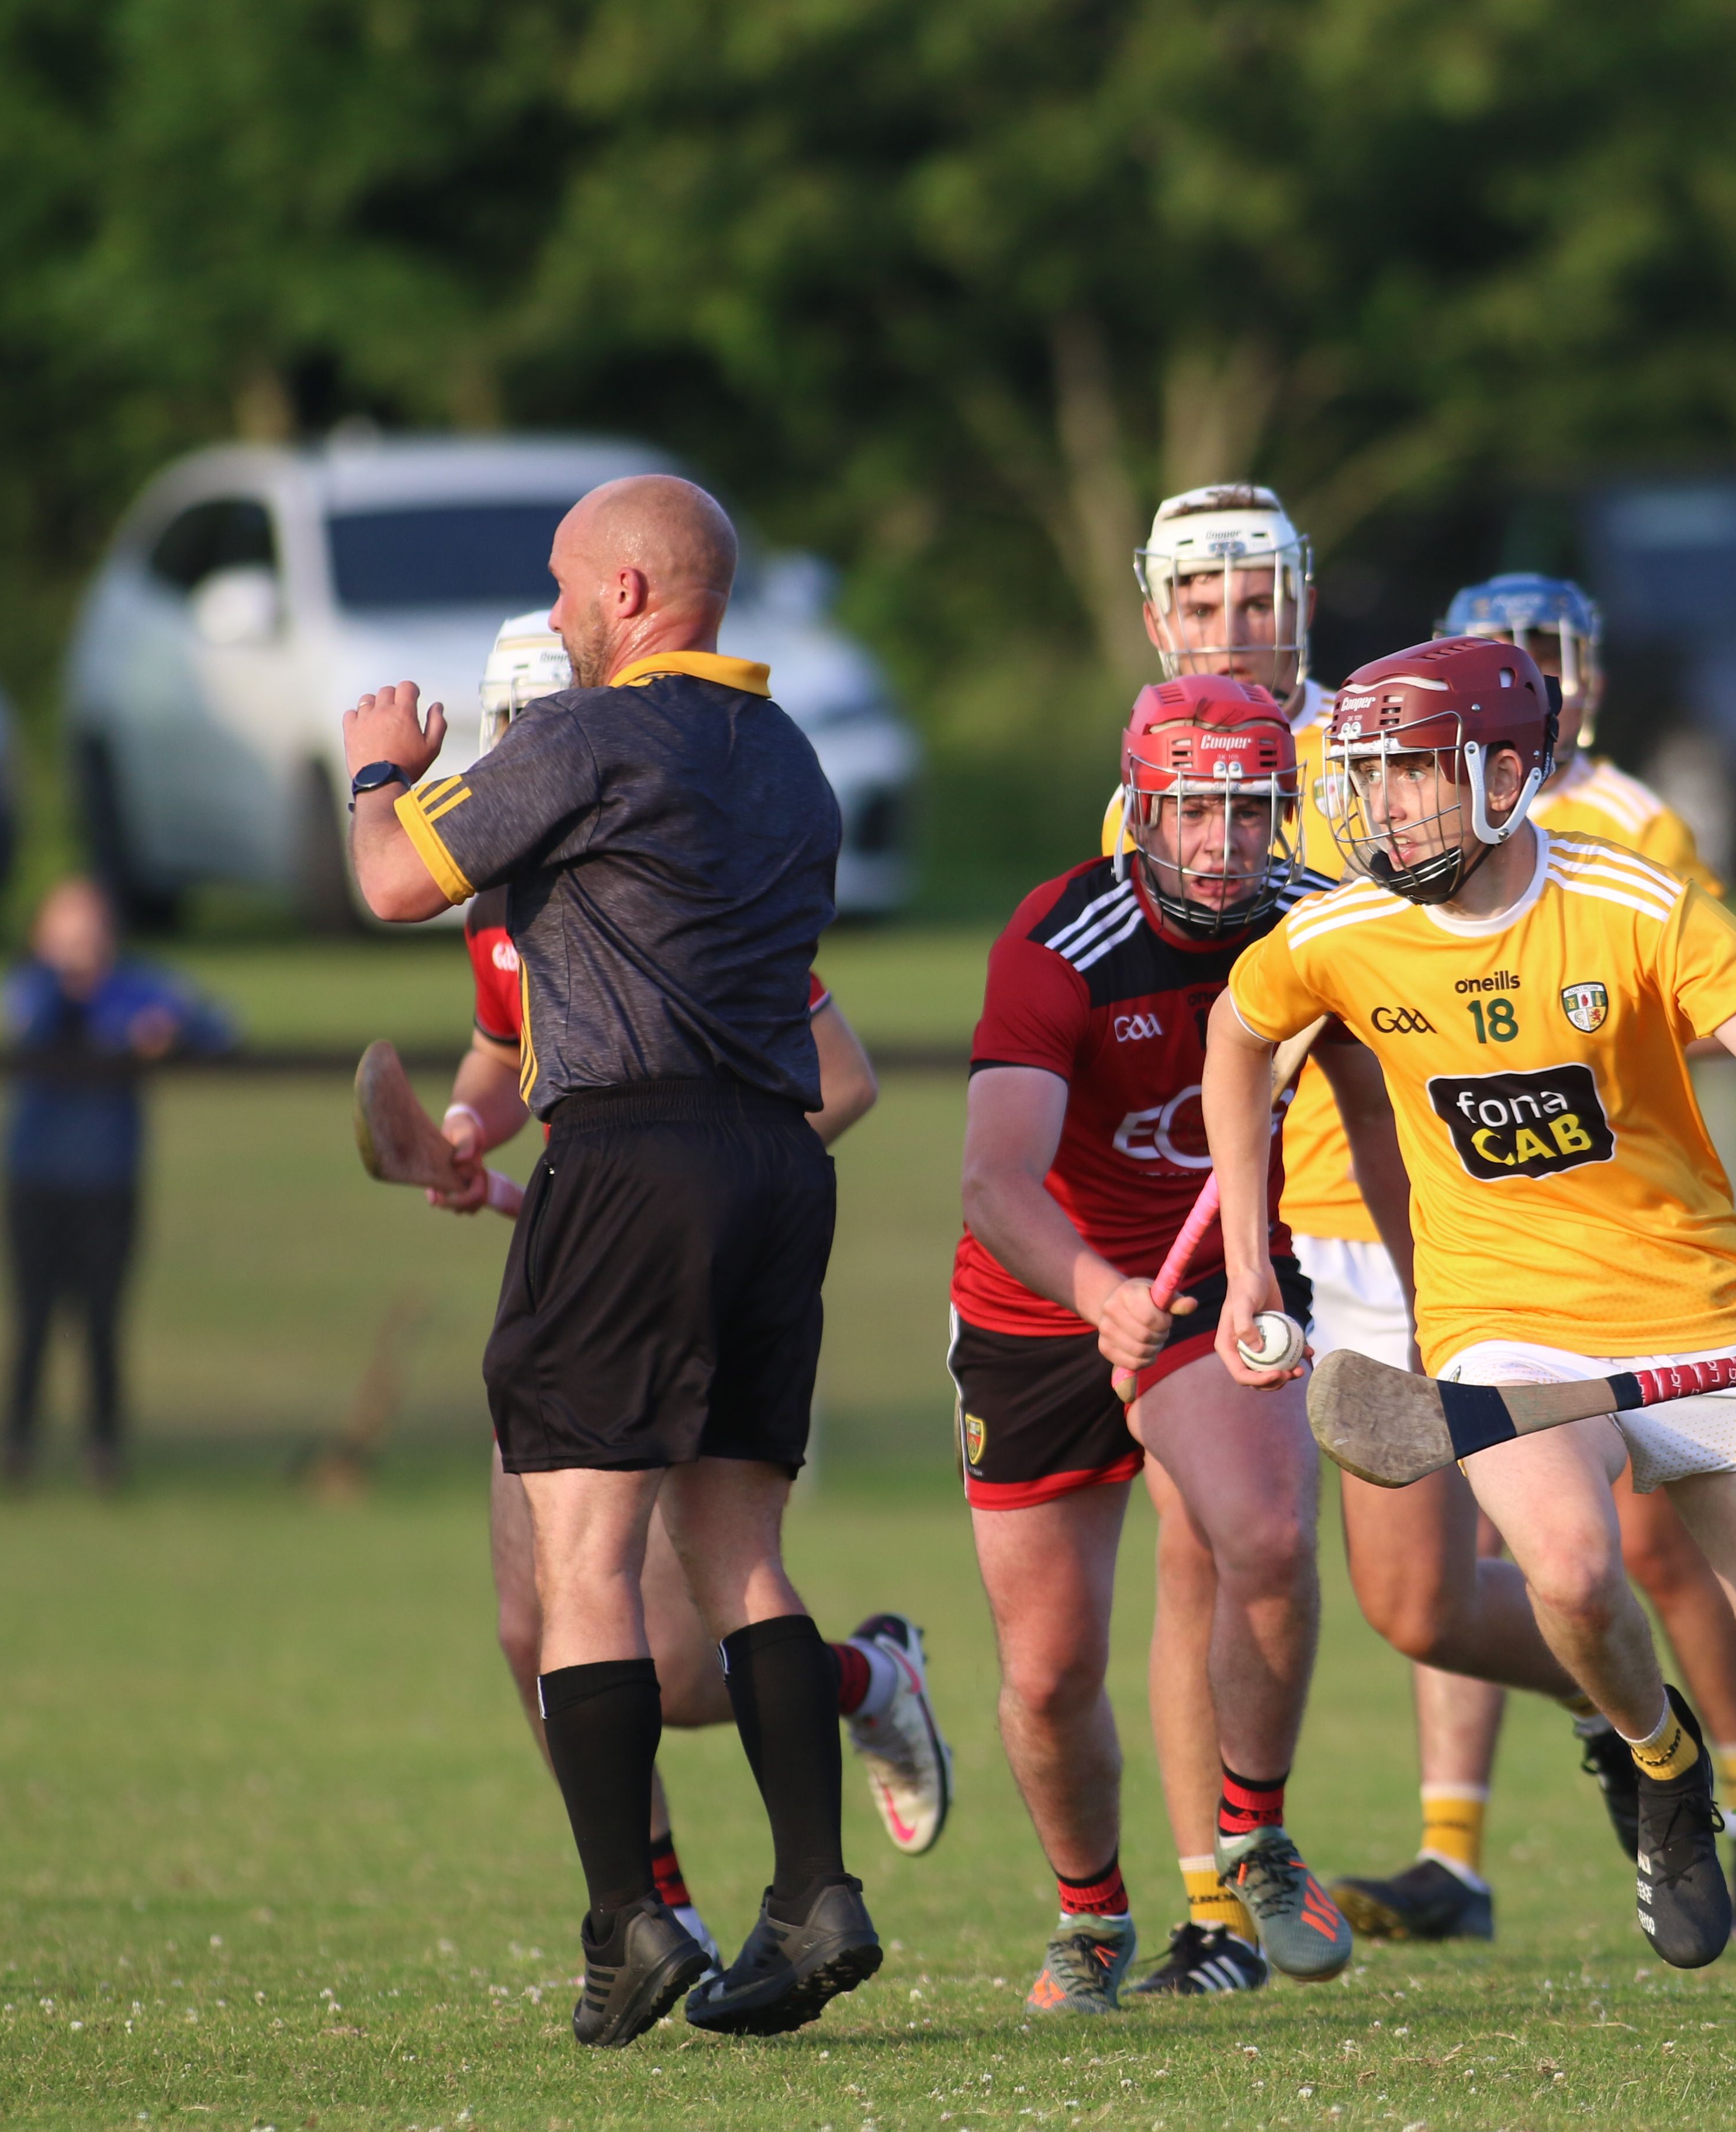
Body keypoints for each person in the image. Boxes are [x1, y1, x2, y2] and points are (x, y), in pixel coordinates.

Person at [1201, 633, 1736, 2054]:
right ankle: (1659, 1764)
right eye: (1371, 778)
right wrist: (1244, 1263)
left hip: (1695, 1311)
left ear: (1507, 776)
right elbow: (1237, 1040)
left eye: (1414, 775)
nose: (1382, 807)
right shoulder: (1340, 931)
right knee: (1574, 1573)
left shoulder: (1634, 904)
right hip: (1498, 1321)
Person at [344, 474, 873, 2047]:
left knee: (583, 1568)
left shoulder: (584, 738)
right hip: (777, 1167)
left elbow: (388, 880)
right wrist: (472, 1109)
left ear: (635, 595)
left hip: (629, 1162)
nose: (558, 611)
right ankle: (812, 1895)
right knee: (741, 1556)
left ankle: (627, 1923)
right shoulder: (791, 760)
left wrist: (379, 768)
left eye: (570, 586)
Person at [1098, 490, 1596, 1990]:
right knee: (1205, 1546)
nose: (1235, 632)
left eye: (1258, 602)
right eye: (1204, 608)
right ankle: (1213, 1908)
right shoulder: (1141, 779)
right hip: (1248, 1212)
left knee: (1420, 1597)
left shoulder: (1384, 738)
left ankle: (1643, 1710)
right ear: (1156, 620)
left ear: (1299, 603)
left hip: (1389, 1221)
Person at [413, 609, 954, 1962]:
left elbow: (842, 1080)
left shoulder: (678, 884)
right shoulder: (505, 904)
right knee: (525, 1620)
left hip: (659, 1243)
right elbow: (500, 1051)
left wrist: (656, 1201)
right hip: (589, 1247)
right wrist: (473, 1128)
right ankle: (659, 1916)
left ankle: (864, 1680)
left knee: (657, 1638)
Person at [1332, 575, 1736, 1948]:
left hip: (1629, 1255)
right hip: (1474, 1254)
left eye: (1553, 655)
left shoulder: (1625, 829)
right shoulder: (1391, 801)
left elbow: (1710, 1003)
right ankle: (1458, 1850)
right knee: (1508, 1553)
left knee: (1657, 1553)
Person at [957, 675, 1365, 2012]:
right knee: (1048, 1668)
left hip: (1215, 1281)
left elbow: (1384, 1130)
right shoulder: (1058, 941)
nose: (1217, 844)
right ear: (1140, 807)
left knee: (1267, 1533)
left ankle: (1252, 1832)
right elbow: (993, 1180)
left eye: (1247, 814)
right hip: (1041, 1298)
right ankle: (1089, 1916)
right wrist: (1092, 1289)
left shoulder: (1315, 929)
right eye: (1190, 811)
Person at [0, 877, 234, 1493]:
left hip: (108, 1179)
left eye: (91, 921)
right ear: (42, 932)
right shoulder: (30, 987)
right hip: (34, 1178)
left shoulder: (139, 987)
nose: (81, 936)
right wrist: (83, 994)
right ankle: (15, 1450)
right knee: (33, 1318)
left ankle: (104, 1452)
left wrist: (169, 1033)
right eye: (66, 922)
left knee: (102, 1321)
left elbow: (219, 1025)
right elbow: (33, 1024)